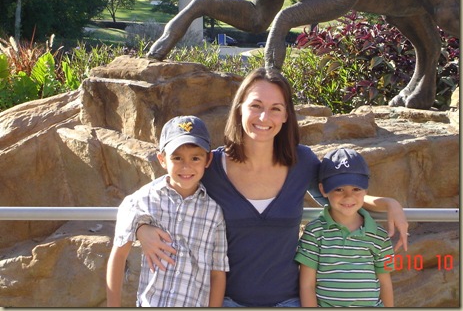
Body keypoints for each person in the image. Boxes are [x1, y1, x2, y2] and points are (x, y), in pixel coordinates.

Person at [137, 68, 408, 307]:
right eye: (256, 105)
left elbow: (339, 196)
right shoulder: (210, 165)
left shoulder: (302, 162)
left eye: (275, 108)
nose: (264, 116)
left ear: (286, 115)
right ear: (240, 108)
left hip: (289, 301)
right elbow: (157, 197)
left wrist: (388, 204)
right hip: (225, 300)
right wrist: (141, 228)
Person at [106, 115, 229, 307]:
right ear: (162, 159)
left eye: (195, 158)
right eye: (177, 158)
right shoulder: (142, 200)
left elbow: (217, 273)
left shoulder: (214, 213)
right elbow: (119, 254)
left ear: (208, 159)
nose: (186, 166)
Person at [295, 147, 394, 307]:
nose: (348, 196)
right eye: (339, 189)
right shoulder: (314, 232)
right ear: (323, 189)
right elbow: (307, 286)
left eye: (356, 189)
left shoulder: (380, 236)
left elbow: (385, 283)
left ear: (366, 189)